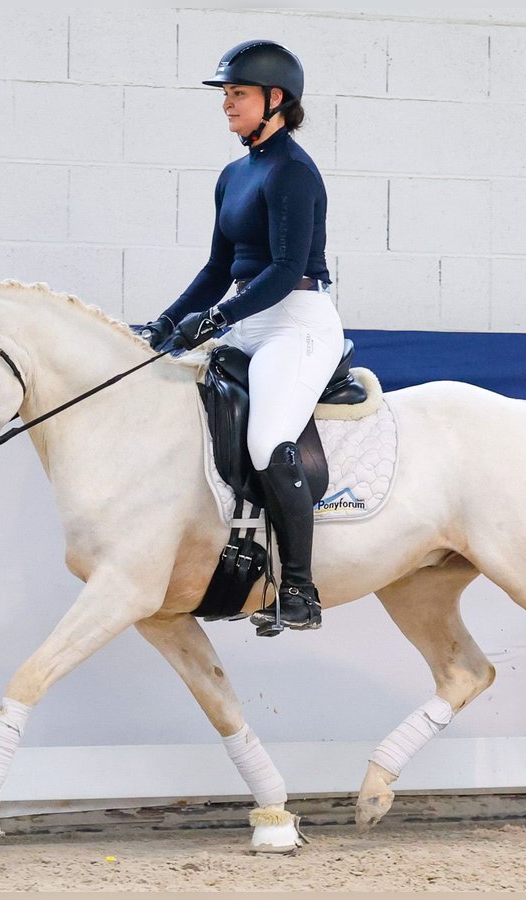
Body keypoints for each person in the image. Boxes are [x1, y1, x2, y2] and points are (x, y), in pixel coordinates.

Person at [135, 40, 343, 633]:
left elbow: (281, 269)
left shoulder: (294, 173)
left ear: (275, 100)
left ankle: (301, 590)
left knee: (266, 441)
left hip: (296, 323)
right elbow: (216, 269)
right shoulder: (233, 175)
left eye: (239, 94)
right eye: (225, 93)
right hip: (248, 316)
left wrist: (220, 320)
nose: (227, 103)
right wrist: (168, 323)